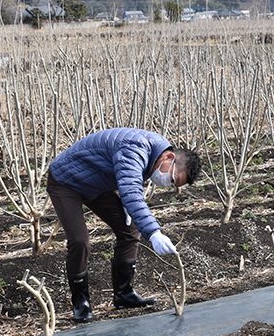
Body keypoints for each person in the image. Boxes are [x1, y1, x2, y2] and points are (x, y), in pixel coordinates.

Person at [47, 127, 201, 323]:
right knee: (79, 240)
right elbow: (131, 190)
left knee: (129, 229)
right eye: (172, 178)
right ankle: (81, 303)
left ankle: (124, 294)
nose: (166, 184)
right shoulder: (135, 147)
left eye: (172, 185)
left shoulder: (155, 153)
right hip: (66, 181)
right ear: (169, 157)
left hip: (96, 183)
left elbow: (129, 179)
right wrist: (154, 232)